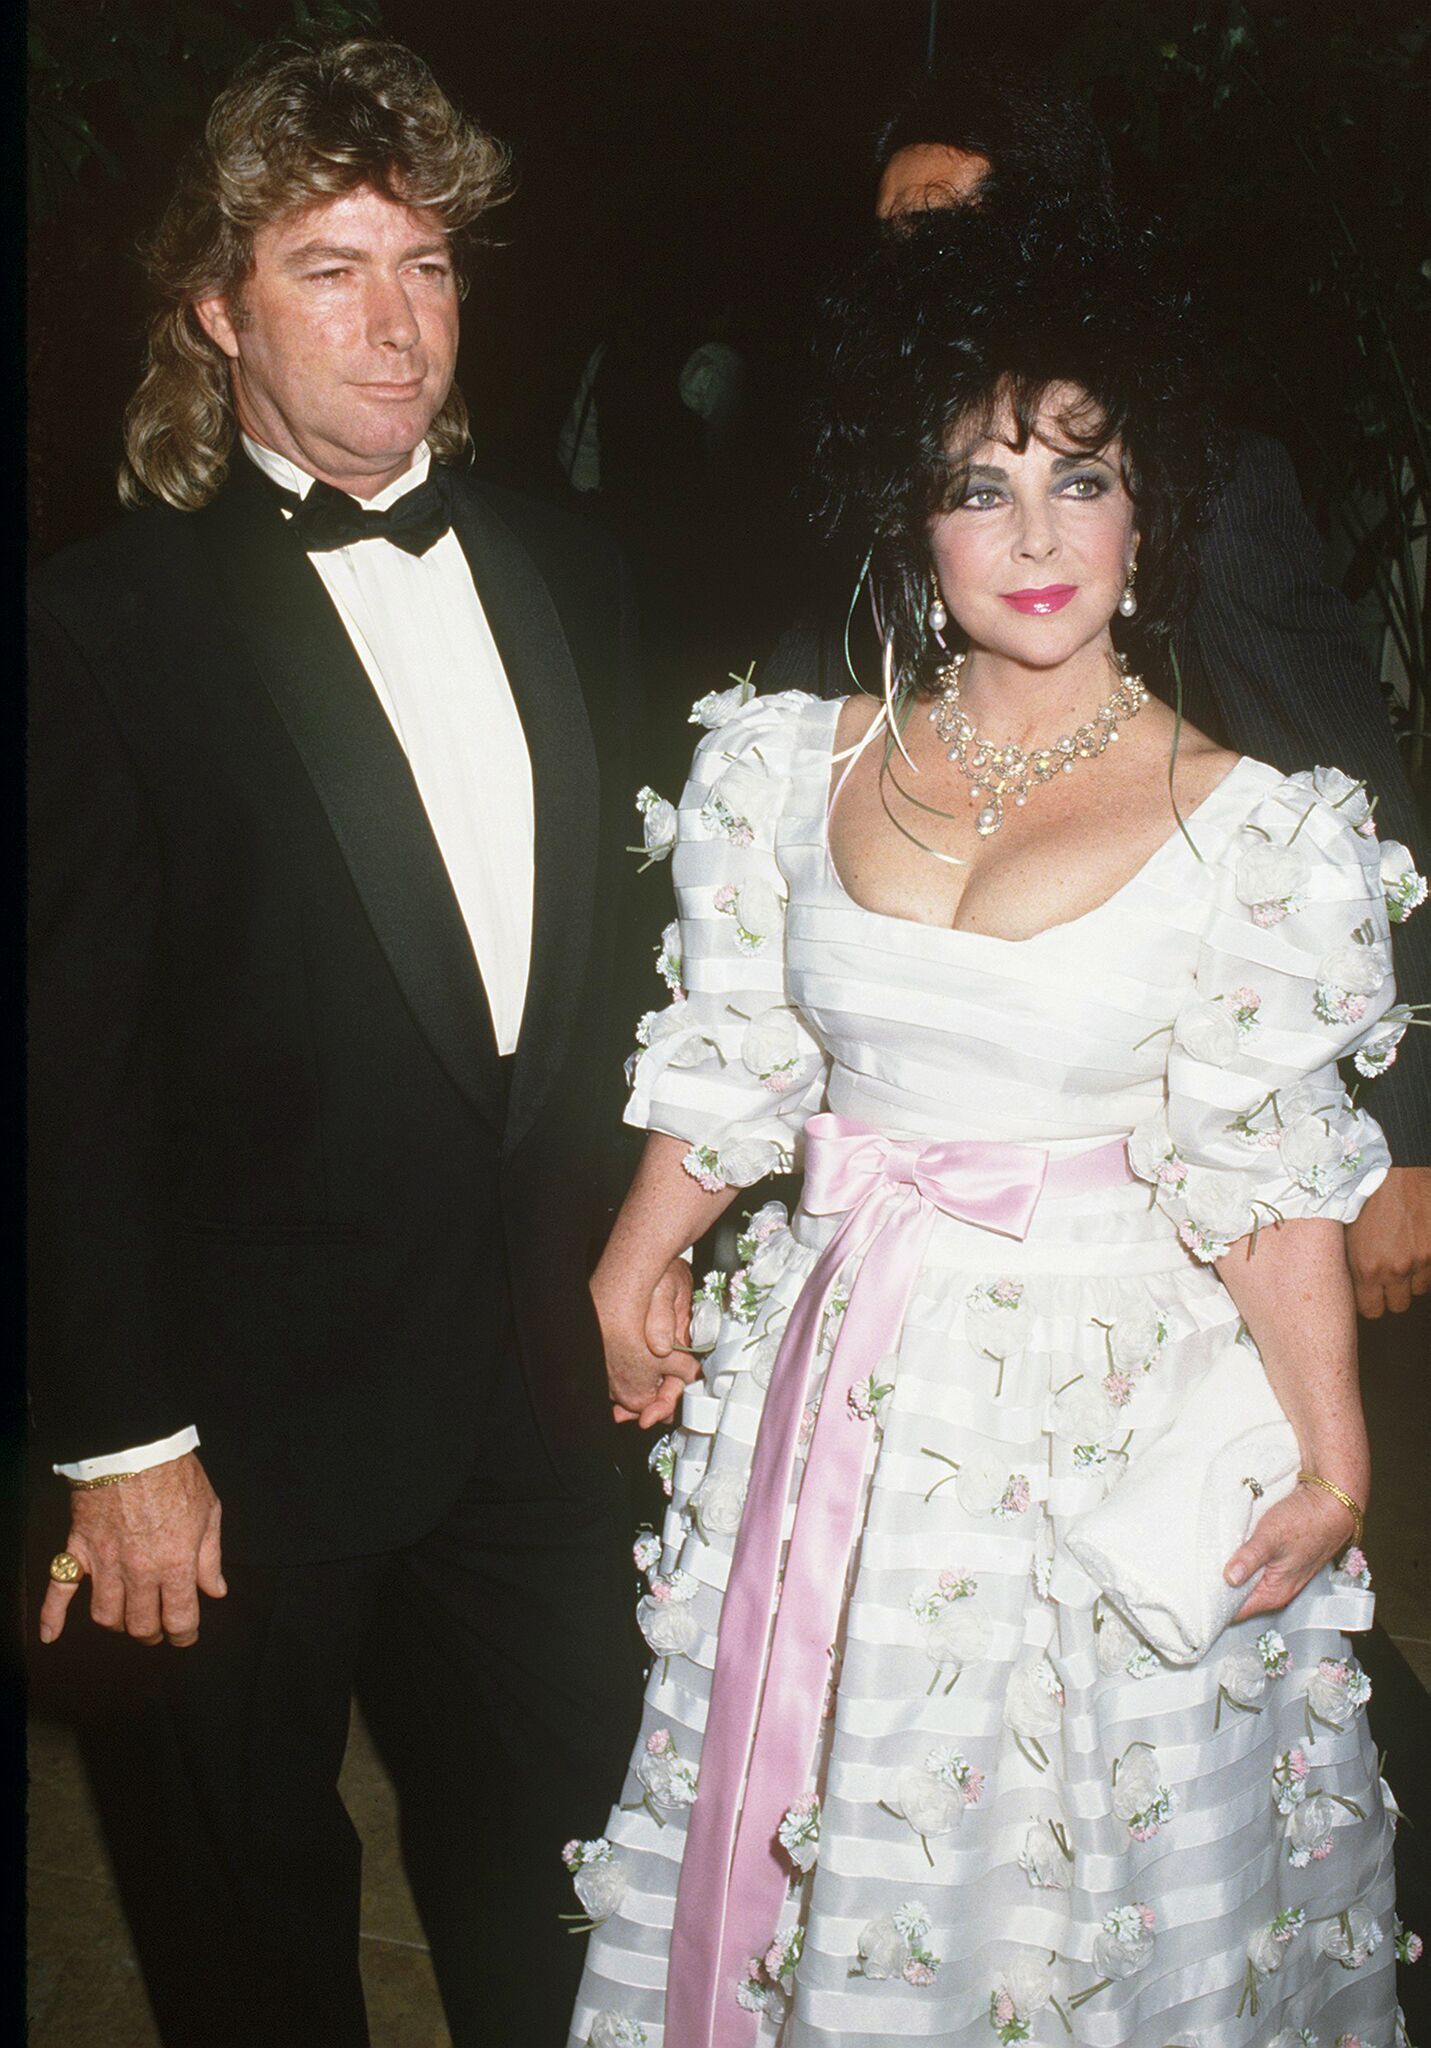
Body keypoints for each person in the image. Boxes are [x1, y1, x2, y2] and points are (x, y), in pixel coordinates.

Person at [566, 220, 1413, 2046]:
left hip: (1097, 1409)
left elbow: (1266, 1187)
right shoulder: (789, 764)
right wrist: (639, 1253)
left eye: (1080, 476)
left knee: (1058, 1875)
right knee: (811, 1799)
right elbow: (742, 1056)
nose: (1035, 536)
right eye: (980, 485)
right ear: (912, 519)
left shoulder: (1252, 830)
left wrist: (1336, 1465)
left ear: (1145, 510)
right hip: (830, 1384)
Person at [28, 35, 693, 2048]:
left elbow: (636, 975)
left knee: (570, 1880)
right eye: (331, 266)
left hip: (538, 1390)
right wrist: (124, 1443)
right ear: (216, 309)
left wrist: (655, 1255)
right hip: (237, 1429)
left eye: (426, 263)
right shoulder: (101, 627)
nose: (394, 318)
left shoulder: (576, 572)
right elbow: (63, 1071)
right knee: (248, 1916)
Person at [762, 60, 1431, 1322]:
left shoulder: (1206, 492)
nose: (927, 267)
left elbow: (1360, 803)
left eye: (957, 227)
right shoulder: (864, 512)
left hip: (1157, 1176)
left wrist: (1407, 1139)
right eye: (899, 238)